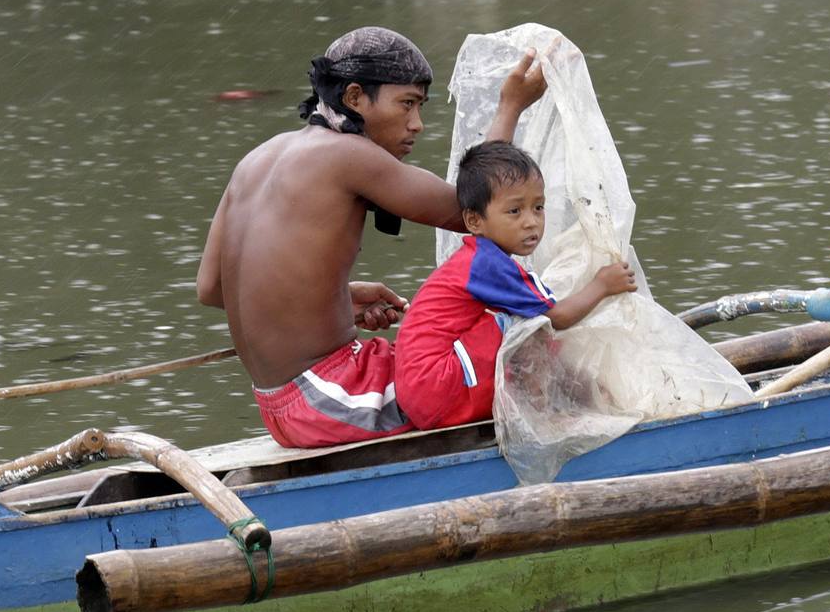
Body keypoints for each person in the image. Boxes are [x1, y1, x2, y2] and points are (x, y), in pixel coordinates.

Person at [196, 27, 546, 449]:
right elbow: (475, 213)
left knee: (451, 344)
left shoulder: (255, 160)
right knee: (528, 322)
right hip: (330, 398)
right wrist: (510, 106)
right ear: (356, 98)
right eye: (407, 104)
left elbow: (213, 289)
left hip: (282, 406)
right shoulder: (348, 155)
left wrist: (331, 299)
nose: (417, 124)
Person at [394, 140, 636, 430]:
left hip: (425, 393)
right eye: (515, 211)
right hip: (438, 390)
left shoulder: (481, 260)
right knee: (528, 326)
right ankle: (549, 409)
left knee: (529, 322)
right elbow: (557, 317)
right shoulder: (488, 265)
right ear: (474, 220)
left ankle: (576, 396)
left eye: (538, 207)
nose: (531, 222)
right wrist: (602, 285)